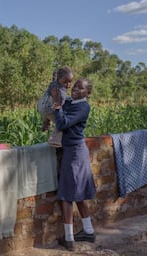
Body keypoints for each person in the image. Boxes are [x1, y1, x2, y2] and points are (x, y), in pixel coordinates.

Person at [51, 78, 96, 251]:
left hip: (74, 152)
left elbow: (62, 123)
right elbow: (62, 103)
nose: (75, 88)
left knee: (67, 195)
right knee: (79, 193)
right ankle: (88, 231)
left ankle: (69, 238)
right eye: (75, 85)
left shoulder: (83, 107)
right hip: (76, 151)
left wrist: (56, 105)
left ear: (87, 93)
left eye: (80, 87)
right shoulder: (72, 102)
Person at [41, 66, 74, 147]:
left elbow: (55, 77)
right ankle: (55, 140)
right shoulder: (61, 92)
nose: (68, 85)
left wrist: (55, 75)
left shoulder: (55, 82)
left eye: (70, 82)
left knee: (51, 109)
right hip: (49, 108)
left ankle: (46, 121)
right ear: (59, 79)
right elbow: (59, 107)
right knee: (63, 122)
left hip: (42, 104)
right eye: (65, 82)